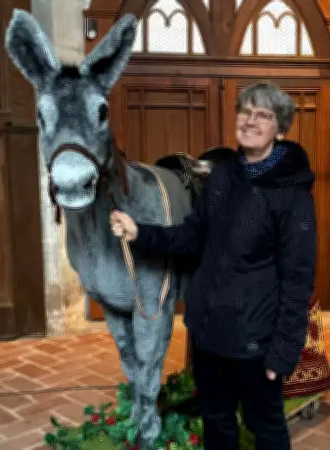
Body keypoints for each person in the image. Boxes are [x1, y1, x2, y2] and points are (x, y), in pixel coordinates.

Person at [109, 80, 316, 450]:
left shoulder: (292, 192)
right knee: (217, 422)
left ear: (280, 130)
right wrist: (140, 233)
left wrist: (283, 351)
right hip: (208, 332)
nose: (250, 121)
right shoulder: (222, 176)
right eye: (245, 111)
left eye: (264, 115)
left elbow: (298, 277)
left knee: (264, 426)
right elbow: (191, 237)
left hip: (254, 338)